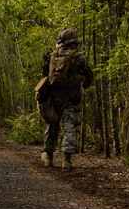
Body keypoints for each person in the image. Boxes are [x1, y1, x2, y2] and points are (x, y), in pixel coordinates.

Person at [40, 28, 94, 170]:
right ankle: (67, 160)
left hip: (53, 97)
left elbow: (45, 74)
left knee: (52, 124)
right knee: (69, 126)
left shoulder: (52, 56)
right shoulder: (78, 56)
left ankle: (48, 157)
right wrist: (85, 84)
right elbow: (89, 74)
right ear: (73, 42)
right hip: (71, 97)